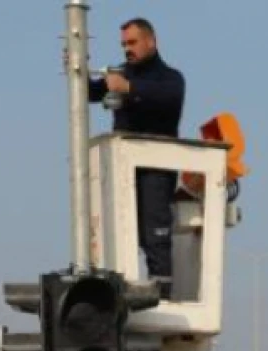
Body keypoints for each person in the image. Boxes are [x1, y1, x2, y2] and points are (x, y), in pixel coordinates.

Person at [89, 16, 185, 288]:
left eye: (132, 42)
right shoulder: (122, 73)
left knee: (154, 238)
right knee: (118, 235)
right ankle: (120, 295)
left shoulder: (170, 78)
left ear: (151, 42)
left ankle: (162, 297)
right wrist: (76, 67)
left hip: (156, 171)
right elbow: (88, 91)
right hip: (121, 171)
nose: (126, 49)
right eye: (123, 44)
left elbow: (168, 96)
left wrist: (128, 88)